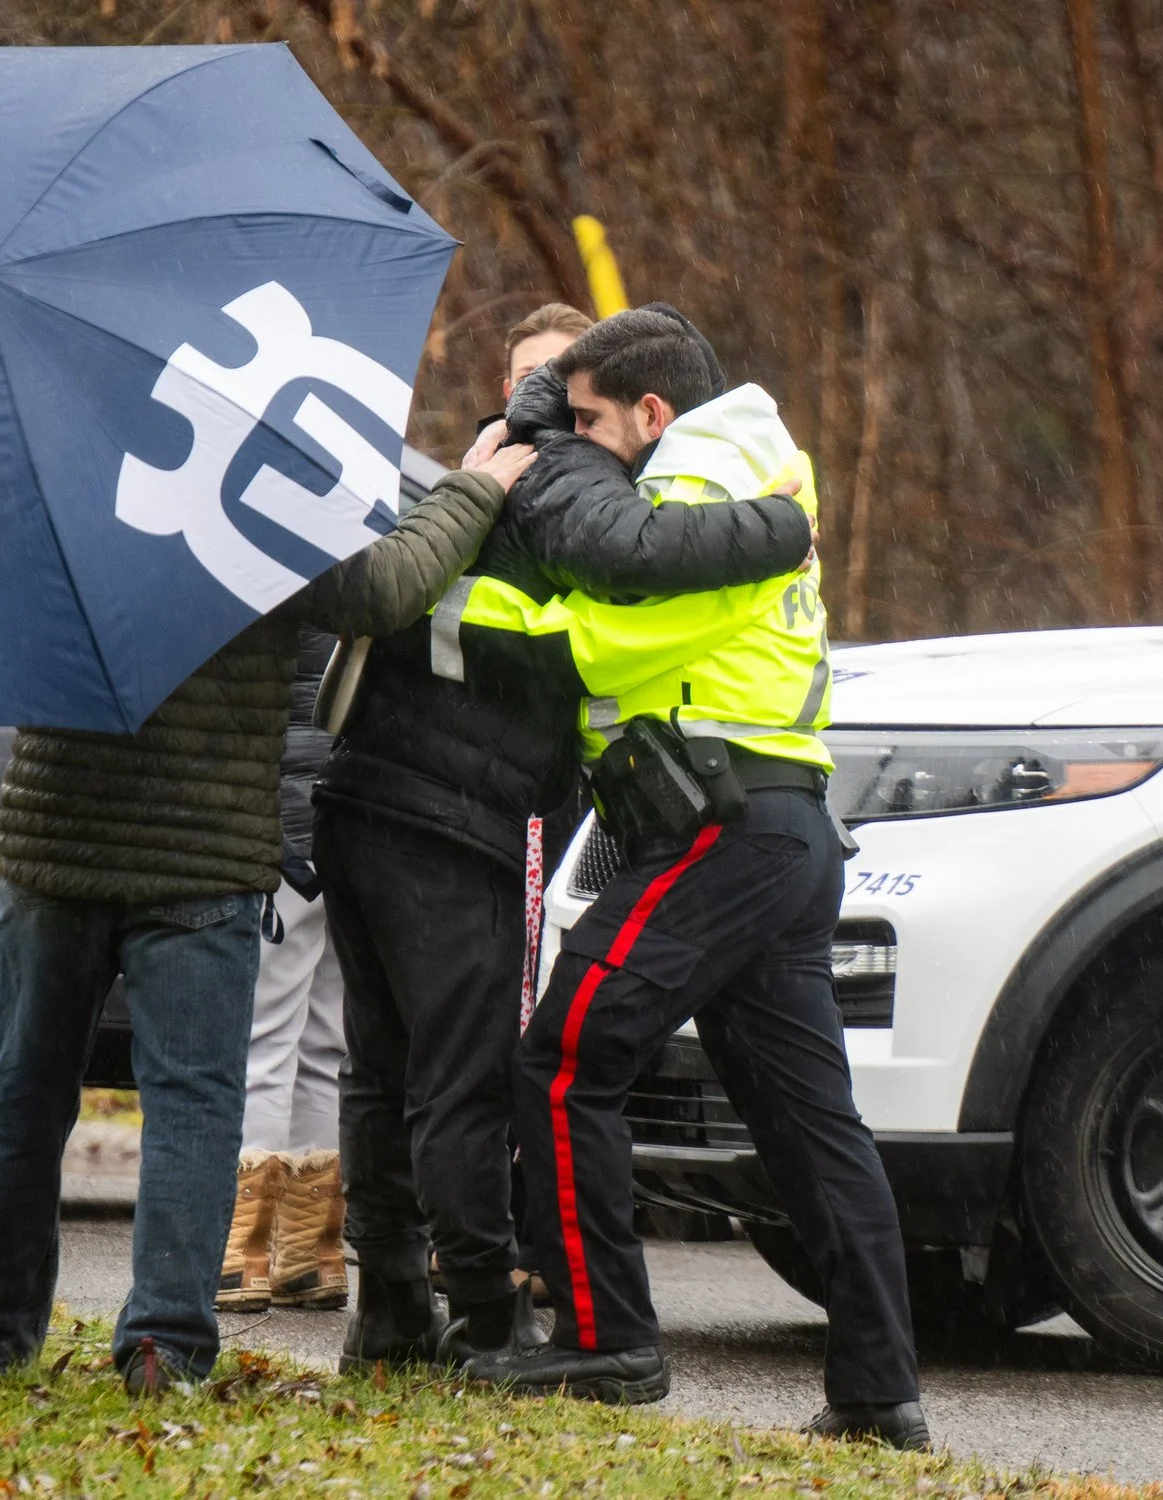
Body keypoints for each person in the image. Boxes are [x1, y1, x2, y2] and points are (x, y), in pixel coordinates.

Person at [0, 443, 533, 1392]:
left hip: (54, 835)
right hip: (200, 848)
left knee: (23, 1096)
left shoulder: (56, 463)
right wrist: (475, 487)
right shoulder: (252, 486)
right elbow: (387, 588)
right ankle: (163, 1345)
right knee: (192, 1104)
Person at [455, 310, 928, 1450]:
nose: (577, 443)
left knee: (566, 1059)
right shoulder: (742, 459)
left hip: (726, 826)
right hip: (774, 829)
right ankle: (878, 1395)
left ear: (653, 414)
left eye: (589, 423)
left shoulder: (710, 463)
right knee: (812, 1128)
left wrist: (496, 605)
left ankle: (605, 1341)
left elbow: (624, 618)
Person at [313, 302, 815, 1373]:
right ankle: (490, 1313)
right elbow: (640, 552)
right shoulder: (553, 482)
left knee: (385, 1067)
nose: (565, 424)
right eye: (549, 394)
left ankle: (393, 1303)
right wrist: (785, 525)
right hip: (451, 813)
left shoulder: (465, 481)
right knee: (461, 1075)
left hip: (368, 799)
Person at [218, 628, 347, 1314]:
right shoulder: (375, 534)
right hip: (344, 821)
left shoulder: (274, 557)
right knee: (326, 1044)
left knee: (262, 1040)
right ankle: (313, 1255)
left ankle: (241, 1253)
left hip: (280, 829)